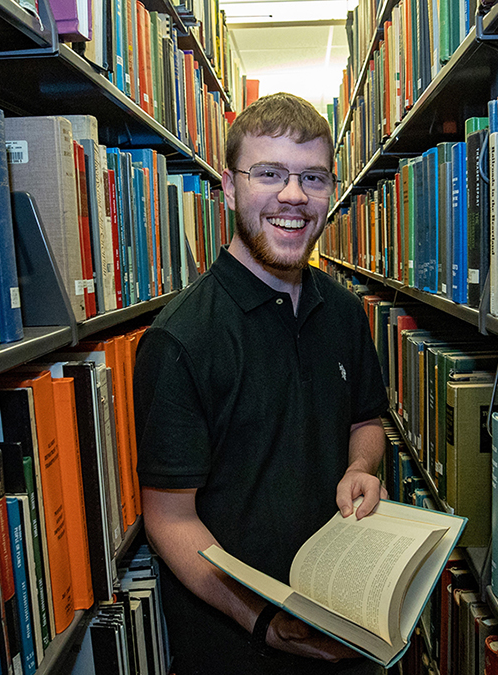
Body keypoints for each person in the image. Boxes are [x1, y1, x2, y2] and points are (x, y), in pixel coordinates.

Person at [133, 92, 390, 674]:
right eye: (268, 173)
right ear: (228, 186)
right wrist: (263, 622)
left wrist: (360, 469)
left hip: (348, 625)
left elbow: (365, 421)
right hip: (238, 647)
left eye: (313, 178)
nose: (294, 196)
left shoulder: (345, 313)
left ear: (331, 191)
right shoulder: (181, 340)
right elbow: (169, 519)